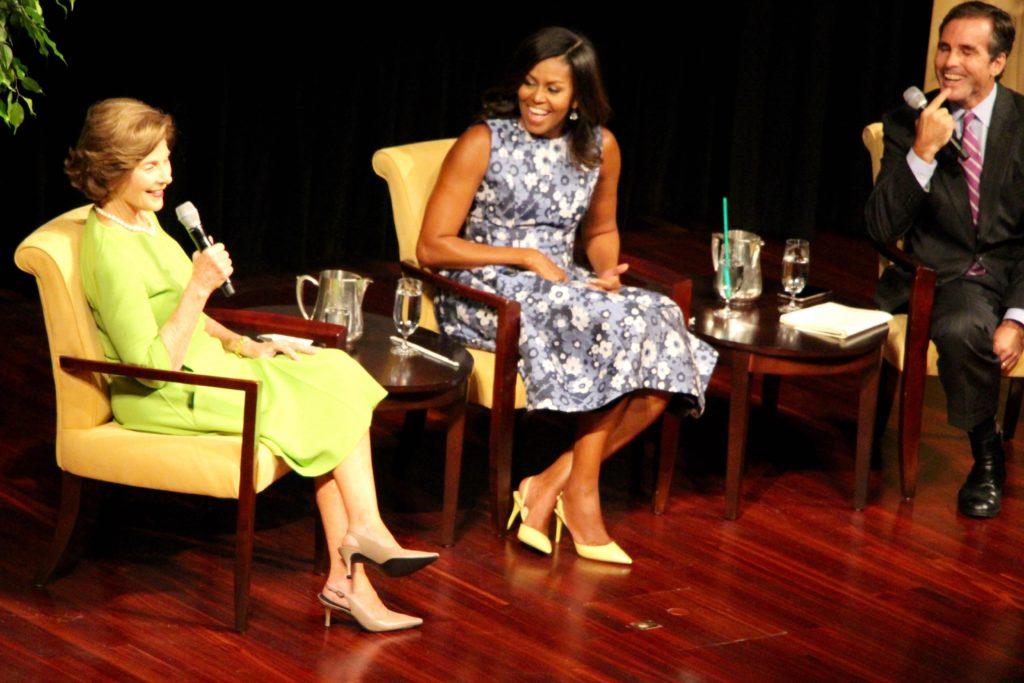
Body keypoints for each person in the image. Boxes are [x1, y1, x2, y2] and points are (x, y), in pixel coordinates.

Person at [65, 98, 437, 631]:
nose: (167, 176)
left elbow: (184, 314)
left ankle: (356, 557)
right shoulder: (111, 251)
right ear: (111, 169)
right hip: (165, 393)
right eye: (150, 165)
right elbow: (148, 366)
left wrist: (251, 345)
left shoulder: (145, 223)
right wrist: (199, 285)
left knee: (334, 371)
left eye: (167, 159)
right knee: (322, 406)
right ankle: (356, 567)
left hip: (206, 367)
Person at [417, 28, 717, 564]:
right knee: (618, 327)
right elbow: (432, 246)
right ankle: (580, 499)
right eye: (531, 83)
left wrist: (607, 274)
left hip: (565, 285)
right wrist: (524, 257)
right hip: (486, 288)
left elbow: (600, 233)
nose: (537, 98)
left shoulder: (601, 147)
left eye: (553, 89)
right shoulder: (484, 140)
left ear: (578, 96)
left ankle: (555, 483)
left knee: (665, 321)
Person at [866, 1, 1024, 518]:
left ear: (998, 62)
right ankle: (986, 454)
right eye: (944, 47)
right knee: (961, 328)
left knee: (974, 326)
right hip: (944, 277)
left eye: (967, 51)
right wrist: (922, 154)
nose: (949, 62)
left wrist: (1018, 318)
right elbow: (881, 228)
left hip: (1013, 274)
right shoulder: (907, 123)